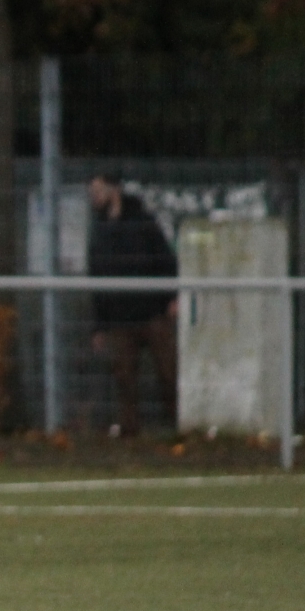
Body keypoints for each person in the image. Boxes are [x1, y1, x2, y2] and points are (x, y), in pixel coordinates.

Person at [87, 173, 179, 437]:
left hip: (152, 313)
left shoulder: (143, 221)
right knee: (124, 378)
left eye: (98, 190)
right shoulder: (99, 230)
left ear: (113, 189)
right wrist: (99, 325)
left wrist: (172, 297)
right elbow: (96, 278)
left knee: (168, 373)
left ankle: (178, 425)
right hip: (119, 319)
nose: (94, 197)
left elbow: (165, 259)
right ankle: (129, 432)